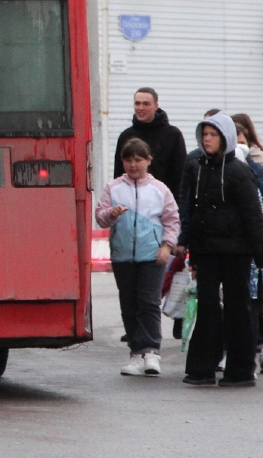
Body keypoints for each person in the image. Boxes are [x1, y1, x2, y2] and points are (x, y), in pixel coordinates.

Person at [178, 111, 263, 388]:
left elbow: (252, 216)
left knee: (238, 309)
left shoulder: (239, 172)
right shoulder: (198, 168)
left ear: (226, 138)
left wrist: (262, 256)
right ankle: (201, 369)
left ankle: (241, 370)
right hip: (207, 251)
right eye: (204, 135)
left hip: (236, 253)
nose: (207, 140)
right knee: (207, 309)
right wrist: (193, 255)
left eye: (213, 135)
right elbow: (196, 215)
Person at [97, 138, 181, 377]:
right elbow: (100, 216)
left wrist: (167, 246)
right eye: (128, 160)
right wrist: (111, 214)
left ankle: (152, 351)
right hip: (122, 256)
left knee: (149, 303)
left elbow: (172, 220)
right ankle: (136, 352)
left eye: (138, 160)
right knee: (129, 305)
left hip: (151, 255)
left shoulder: (160, 189)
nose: (133, 165)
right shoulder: (113, 188)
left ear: (148, 161)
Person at [234, 112, 263, 375]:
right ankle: (236, 350)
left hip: (255, 238)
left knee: (257, 298)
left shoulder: (258, 163)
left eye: (243, 142)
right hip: (233, 245)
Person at [113, 87, 186, 192]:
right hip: (131, 201)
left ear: (156, 106)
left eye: (146, 104)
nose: (140, 108)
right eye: (137, 103)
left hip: (163, 201)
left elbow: (180, 175)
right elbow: (119, 174)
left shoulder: (173, 135)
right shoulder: (126, 136)